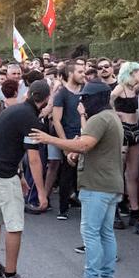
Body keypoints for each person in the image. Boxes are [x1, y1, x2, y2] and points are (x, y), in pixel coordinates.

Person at [31, 81, 124, 278]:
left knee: (91, 233)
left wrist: (49, 138)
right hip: (109, 184)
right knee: (105, 233)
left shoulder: (99, 119)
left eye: (86, 98)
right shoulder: (111, 118)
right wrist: (77, 153)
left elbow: (83, 145)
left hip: (97, 185)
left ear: (98, 98)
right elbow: (89, 148)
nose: (82, 102)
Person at [0, 79, 50, 278]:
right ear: (45, 100)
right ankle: (10, 276)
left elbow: (5, 142)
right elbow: (34, 159)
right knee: (14, 225)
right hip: (3, 174)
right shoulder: (31, 118)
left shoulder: (13, 110)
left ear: (29, 93)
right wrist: (42, 192)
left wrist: (19, 175)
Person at [48, 58, 86, 219]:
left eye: (84, 71)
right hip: (68, 137)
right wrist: (65, 145)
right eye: (80, 71)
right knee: (67, 173)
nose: (83, 74)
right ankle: (63, 208)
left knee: (83, 173)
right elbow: (56, 120)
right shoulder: (62, 93)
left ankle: (80, 201)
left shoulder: (86, 90)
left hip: (84, 136)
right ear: (70, 73)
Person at [111, 61, 139, 228]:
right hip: (123, 130)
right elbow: (109, 101)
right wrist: (115, 114)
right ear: (131, 73)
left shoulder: (135, 89)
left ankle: (134, 209)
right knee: (119, 170)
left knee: (133, 173)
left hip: (136, 130)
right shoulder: (120, 87)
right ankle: (114, 209)